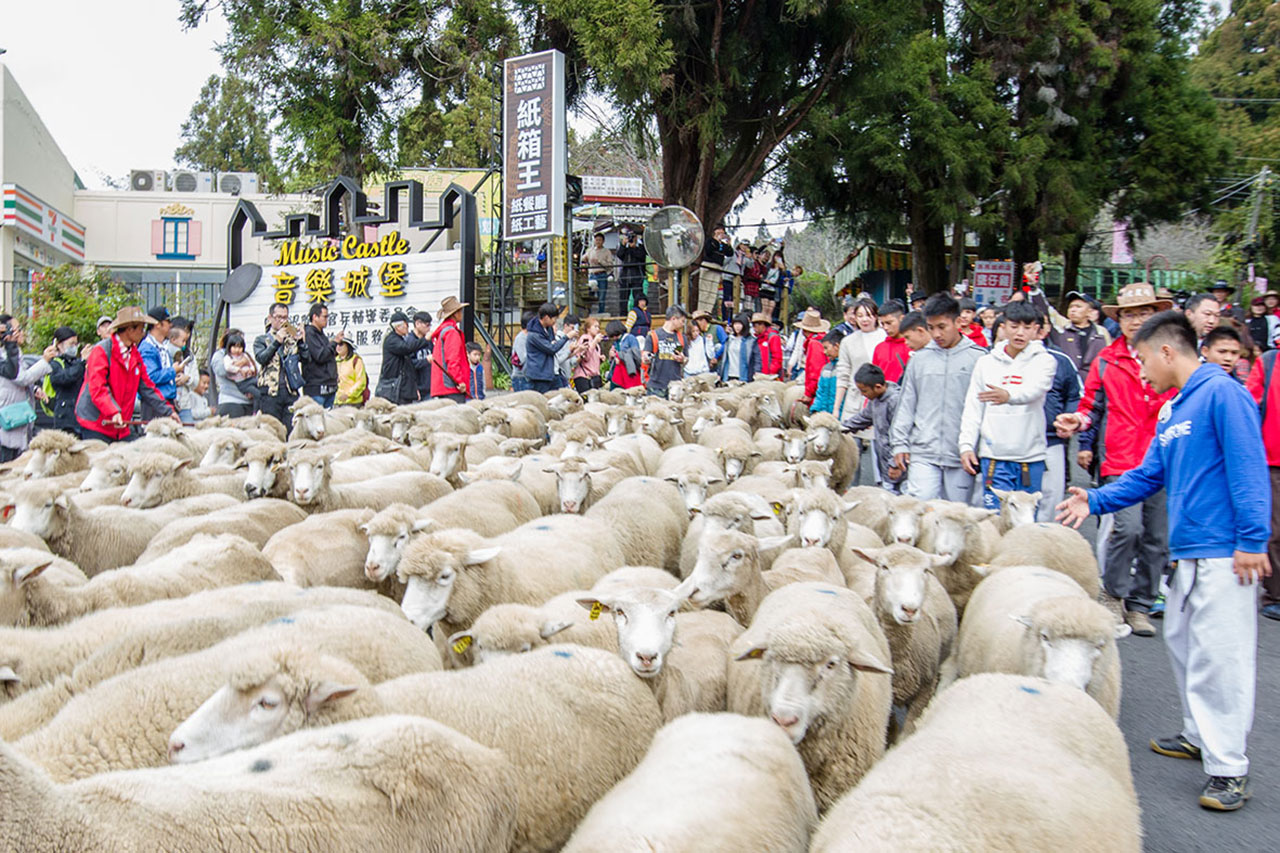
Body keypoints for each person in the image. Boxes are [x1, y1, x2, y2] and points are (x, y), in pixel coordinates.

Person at [1057, 311, 1269, 813]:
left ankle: (1229, 768)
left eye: (1144, 357)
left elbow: (1248, 465)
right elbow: (1148, 473)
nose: (1142, 368)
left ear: (1168, 351)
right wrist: (1096, 500)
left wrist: (1253, 539)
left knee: (1222, 657)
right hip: (1191, 549)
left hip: (1226, 551)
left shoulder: (1223, 394)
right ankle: (1200, 734)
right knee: (1184, 644)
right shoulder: (1174, 409)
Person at [1054, 282, 1177, 638]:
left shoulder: (1170, 358)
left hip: (1163, 456)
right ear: (1118, 320)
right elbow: (1090, 405)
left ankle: (1141, 604)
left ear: (1157, 317)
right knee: (1128, 527)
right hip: (1120, 458)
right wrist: (1078, 421)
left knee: (1157, 537)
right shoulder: (1107, 360)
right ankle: (1113, 591)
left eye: (1144, 314)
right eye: (1129, 315)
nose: (1136, 321)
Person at [958, 301, 1058, 511]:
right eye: (1014, 326)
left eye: (1027, 327)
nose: (1020, 333)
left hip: (1030, 456)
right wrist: (966, 445)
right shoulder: (986, 363)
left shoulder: (1045, 361)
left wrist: (1008, 395)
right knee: (994, 516)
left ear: (1037, 331)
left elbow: (1036, 390)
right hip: (994, 455)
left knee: (1025, 520)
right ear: (1002, 326)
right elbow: (973, 407)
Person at [890, 293, 985, 502]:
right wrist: (900, 444)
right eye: (931, 327)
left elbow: (983, 409)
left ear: (958, 321)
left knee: (958, 515)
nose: (936, 334)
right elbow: (906, 404)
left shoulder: (978, 358)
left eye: (942, 326)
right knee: (921, 510)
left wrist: (977, 447)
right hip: (923, 451)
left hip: (961, 455)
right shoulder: (919, 360)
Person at [75, 307, 177, 442]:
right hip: (97, 423)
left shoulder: (135, 354)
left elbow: (148, 387)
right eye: (141, 328)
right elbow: (98, 388)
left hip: (120, 424)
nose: (143, 333)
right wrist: (113, 411)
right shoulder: (102, 351)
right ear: (130, 330)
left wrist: (168, 411)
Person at [1246, 340, 1280, 621]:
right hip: (1272, 459)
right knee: (1275, 530)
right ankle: (1275, 593)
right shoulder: (1269, 361)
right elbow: (1251, 405)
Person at [1038, 321, 1082, 522]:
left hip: (1052, 440)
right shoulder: (998, 360)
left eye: (1029, 326)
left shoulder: (1060, 360)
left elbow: (1075, 395)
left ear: (1043, 330)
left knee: (1051, 501)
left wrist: (1067, 419)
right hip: (1012, 445)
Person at [0, 316, 56, 460]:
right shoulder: (5, 354)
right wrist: (44, 361)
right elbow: (20, 378)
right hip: (7, 426)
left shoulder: (14, 353)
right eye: (17, 329)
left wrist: (35, 389)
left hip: (16, 423)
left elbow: (17, 381)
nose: (20, 333)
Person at [843, 362, 904, 493]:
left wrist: (895, 463)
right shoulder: (875, 400)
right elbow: (864, 417)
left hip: (897, 462)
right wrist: (842, 427)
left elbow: (900, 434)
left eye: (864, 391)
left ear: (877, 387)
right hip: (885, 461)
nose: (862, 394)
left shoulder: (894, 401)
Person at [255, 302, 308, 431]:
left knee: (292, 429)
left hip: (290, 391)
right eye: (278, 317)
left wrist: (301, 341)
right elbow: (261, 358)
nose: (282, 321)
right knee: (272, 430)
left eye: (285, 317)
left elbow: (306, 358)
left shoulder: (292, 339)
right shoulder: (261, 339)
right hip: (270, 392)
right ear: (270, 318)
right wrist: (277, 341)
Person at [832, 298, 886, 421]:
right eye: (860, 316)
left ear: (876, 316)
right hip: (854, 399)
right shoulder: (848, 342)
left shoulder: (885, 338)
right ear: (854, 318)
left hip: (880, 398)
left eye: (869, 315)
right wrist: (836, 408)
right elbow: (843, 375)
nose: (864, 319)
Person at [1050, 290, 1111, 384]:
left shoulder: (1101, 332)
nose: (1073, 310)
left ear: (1089, 312)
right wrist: (1032, 287)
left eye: (1078, 307)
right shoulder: (1061, 327)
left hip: (1095, 386)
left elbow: (1110, 359)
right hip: (1065, 386)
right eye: (1071, 307)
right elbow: (1046, 309)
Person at [42, 327, 84, 435]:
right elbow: (64, 378)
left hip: (80, 415)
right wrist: (82, 363)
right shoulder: (54, 363)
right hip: (65, 417)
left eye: (76, 344)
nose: (74, 347)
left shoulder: (76, 362)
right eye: (71, 344)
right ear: (60, 345)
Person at [138, 306, 178, 418]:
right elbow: (150, 377)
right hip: (154, 404)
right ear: (157, 324)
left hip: (166, 402)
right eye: (168, 321)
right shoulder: (148, 348)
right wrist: (172, 371)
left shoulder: (162, 346)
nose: (171, 325)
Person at [526, 303, 575, 394]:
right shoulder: (534, 335)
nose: (555, 322)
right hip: (540, 376)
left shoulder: (548, 329)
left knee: (561, 397)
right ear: (546, 317)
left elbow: (552, 344)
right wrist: (567, 337)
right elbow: (552, 349)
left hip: (553, 373)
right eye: (554, 319)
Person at [429, 296, 470, 403]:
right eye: (460, 311)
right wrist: (459, 381)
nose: (461, 313)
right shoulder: (451, 332)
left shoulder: (443, 331)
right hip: (451, 387)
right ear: (455, 313)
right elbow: (453, 360)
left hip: (442, 386)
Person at [300, 303, 341, 408]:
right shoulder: (309, 333)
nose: (327, 320)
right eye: (324, 317)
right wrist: (334, 342)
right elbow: (320, 356)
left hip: (328, 386)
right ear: (315, 317)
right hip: (316, 388)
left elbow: (326, 355)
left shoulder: (321, 334)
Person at [644, 305, 688, 397]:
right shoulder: (653, 336)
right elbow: (645, 355)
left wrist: (683, 359)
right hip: (656, 386)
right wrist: (646, 358)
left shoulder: (682, 338)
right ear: (674, 319)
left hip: (675, 386)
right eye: (682, 321)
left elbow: (686, 359)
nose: (683, 324)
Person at [211, 328, 254, 418]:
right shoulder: (219, 355)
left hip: (248, 402)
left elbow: (254, 371)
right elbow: (222, 370)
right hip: (231, 401)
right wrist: (240, 363)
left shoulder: (244, 355)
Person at [795, 308, 831, 405]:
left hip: (818, 391)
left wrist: (809, 393)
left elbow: (815, 371)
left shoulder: (814, 343)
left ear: (805, 330)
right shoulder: (823, 340)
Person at [872, 299, 910, 383]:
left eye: (889, 323)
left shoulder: (912, 346)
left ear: (902, 319)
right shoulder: (879, 348)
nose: (885, 327)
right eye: (882, 324)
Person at [810, 329, 846, 414]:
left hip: (841, 417)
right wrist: (815, 410)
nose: (824, 352)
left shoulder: (847, 368)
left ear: (836, 346)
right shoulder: (826, 369)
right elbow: (820, 393)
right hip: (825, 416)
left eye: (826, 348)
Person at [719, 312, 762, 384]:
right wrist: (720, 372)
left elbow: (757, 358)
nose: (737, 327)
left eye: (740, 324)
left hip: (744, 375)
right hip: (729, 374)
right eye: (735, 324)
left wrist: (756, 372)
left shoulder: (751, 341)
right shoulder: (729, 339)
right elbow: (724, 358)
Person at [685, 310, 725, 379]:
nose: (695, 333)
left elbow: (725, 343)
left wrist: (716, 356)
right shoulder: (699, 335)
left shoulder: (717, 328)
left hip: (715, 365)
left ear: (703, 320)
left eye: (699, 320)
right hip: (694, 369)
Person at [607, 319, 644, 390]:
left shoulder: (630, 338)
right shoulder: (615, 343)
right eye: (612, 336)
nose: (614, 337)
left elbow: (636, 356)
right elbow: (611, 363)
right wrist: (611, 357)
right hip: (616, 374)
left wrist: (621, 359)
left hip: (629, 374)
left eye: (616, 335)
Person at [585, 233, 616, 314]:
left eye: (600, 240)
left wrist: (600, 262)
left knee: (601, 296)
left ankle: (601, 313)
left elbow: (610, 265)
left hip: (602, 274)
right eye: (596, 240)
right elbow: (584, 258)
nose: (598, 242)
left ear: (603, 241)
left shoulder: (607, 251)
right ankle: (588, 312)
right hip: (592, 275)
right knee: (590, 295)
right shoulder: (590, 250)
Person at [571, 316, 603, 394]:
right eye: (595, 327)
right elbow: (586, 357)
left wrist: (600, 358)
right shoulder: (585, 339)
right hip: (584, 376)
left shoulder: (597, 344)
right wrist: (594, 342)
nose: (597, 329)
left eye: (598, 327)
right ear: (588, 328)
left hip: (594, 376)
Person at [616, 231, 647, 310]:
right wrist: (623, 245)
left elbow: (641, 256)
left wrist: (633, 248)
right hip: (625, 276)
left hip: (637, 275)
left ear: (636, 238)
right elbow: (620, 255)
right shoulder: (624, 247)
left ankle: (638, 314)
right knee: (623, 298)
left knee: (638, 298)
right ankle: (623, 315)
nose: (631, 239)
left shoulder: (640, 247)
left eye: (633, 237)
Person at [334, 339, 368, 406]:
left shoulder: (356, 361)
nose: (338, 347)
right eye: (336, 344)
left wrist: (348, 394)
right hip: (336, 403)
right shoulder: (334, 361)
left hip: (353, 403)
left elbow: (361, 382)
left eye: (341, 344)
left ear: (348, 346)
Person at [753, 314, 784, 380]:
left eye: (756, 326)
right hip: (759, 375)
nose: (754, 328)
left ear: (762, 325)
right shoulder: (757, 339)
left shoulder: (773, 337)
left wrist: (770, 374)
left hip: (769, 376)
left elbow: (777, 359)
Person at [510, 309, 534, 393]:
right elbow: (523, 358)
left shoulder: (529, 337)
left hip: (527, 377)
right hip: (521, 377)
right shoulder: (521, 338)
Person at [411, 311, 433, 401]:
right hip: (417, 388)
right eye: (427, 325)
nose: (429, 328)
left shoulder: (429, 341)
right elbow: (409, 365)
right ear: (417, 324)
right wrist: (426, 360)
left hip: (429, 387)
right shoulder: (409, 341)